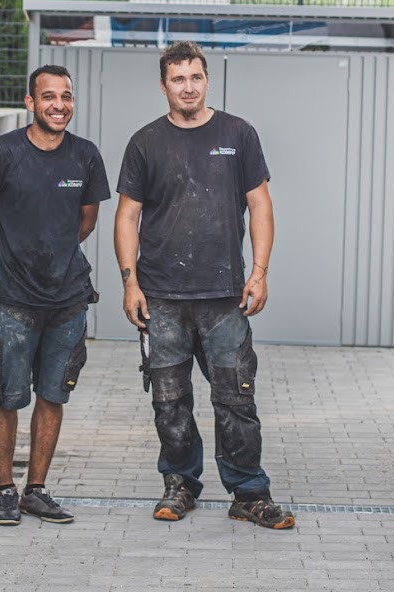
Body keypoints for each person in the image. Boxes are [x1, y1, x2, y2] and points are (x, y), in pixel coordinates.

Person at [113, 41, 295, 530]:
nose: (187, 87)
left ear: (206, 79)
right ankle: (179, 484)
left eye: (195, 77)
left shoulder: (238, 133)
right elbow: (127, 215)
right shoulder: (145, 142)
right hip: (162, 298)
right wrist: (130, 284)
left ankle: (249, 492)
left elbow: (260, 204)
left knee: (236, 398)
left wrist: (259, 271)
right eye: (178, 79)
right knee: (169, 400)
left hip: (224, 297)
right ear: (163, 85)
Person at [0, 64, 110, 526]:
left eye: (66, 96)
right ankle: (4, 490)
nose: (59, 105)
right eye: (49, 96)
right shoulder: (0, 153)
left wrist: (56, 257)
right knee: (7, 397)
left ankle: (36, 490)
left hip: (67, 301)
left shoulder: (85, 157)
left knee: (53, 395)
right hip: (9, 302)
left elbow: (86, 220)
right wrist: (6, 261)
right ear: (30, 102)